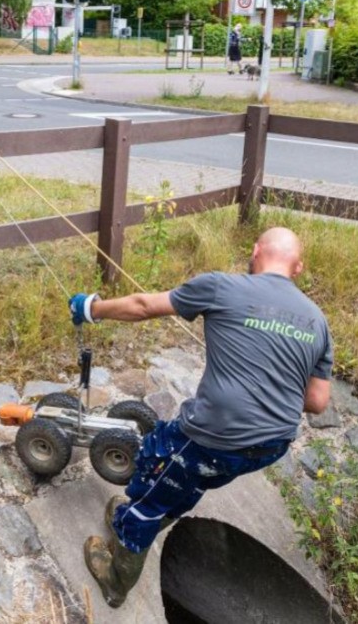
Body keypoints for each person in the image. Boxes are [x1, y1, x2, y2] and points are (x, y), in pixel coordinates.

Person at [67, 227, 333, 608]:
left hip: (213, 434)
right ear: (298, 268)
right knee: (189, 478)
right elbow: (317, 400)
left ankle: (116, 578)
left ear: (256, 251)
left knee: (153, 473)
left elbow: (144, 306)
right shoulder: (317, 320)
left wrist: (91, 307)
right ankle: (144, 513)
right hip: (270, 446)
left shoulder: (222, 287)